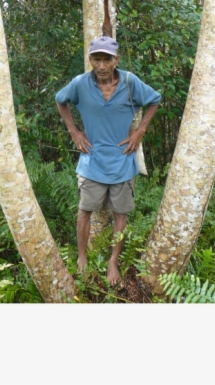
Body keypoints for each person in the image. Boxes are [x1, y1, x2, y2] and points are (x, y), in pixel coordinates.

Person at [55, 36, 161, 285]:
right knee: (84, 211)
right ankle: (82, 258)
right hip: (91, 161)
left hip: (123, 161)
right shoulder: (80, 84)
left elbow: (154, 100)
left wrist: (140, 131)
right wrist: (74, 131)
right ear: (90, 60)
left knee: (121, 215)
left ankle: (113, 261)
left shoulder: (129, 81)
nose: (101, 65)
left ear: (116, 60)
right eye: (96, 59)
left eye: (107, 59)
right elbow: (61, 101)